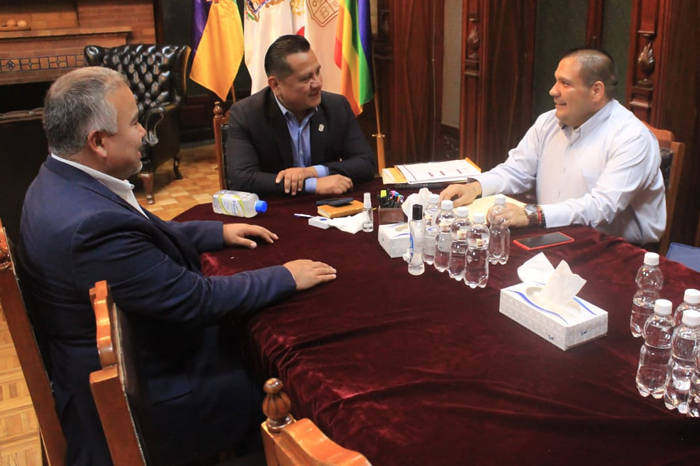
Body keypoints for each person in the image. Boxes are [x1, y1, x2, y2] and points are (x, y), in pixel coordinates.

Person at [17, 67, 338, 466]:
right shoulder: (89, 227)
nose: (145, 135)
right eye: (135, 123)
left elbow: (144, 230)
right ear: (97, 142)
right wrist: (286, 275)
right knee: (291, 379)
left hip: (125, 358)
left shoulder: (59, 180)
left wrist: (217, 232)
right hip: (151, 393)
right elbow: (197, 300)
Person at [440, 48, 666, 245]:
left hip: (615, 248)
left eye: (565, 83)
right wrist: (476, 187)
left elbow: (602, 207)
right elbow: (516, 171)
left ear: (596, 91)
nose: (553, 91)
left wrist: (532, 215)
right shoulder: (548, 122)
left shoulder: (632, 138)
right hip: (551, 234)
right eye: (556, 81)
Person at [226, 34, 376, 196]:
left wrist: (313, 172)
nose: (318, 83)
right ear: (275, 85)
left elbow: (366, 164)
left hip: (329, 206)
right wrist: (312, 185)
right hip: (275, 205)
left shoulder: (336, 107)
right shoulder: (246, 114)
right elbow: (243, 179)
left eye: (317, 72)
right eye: (306, 78)